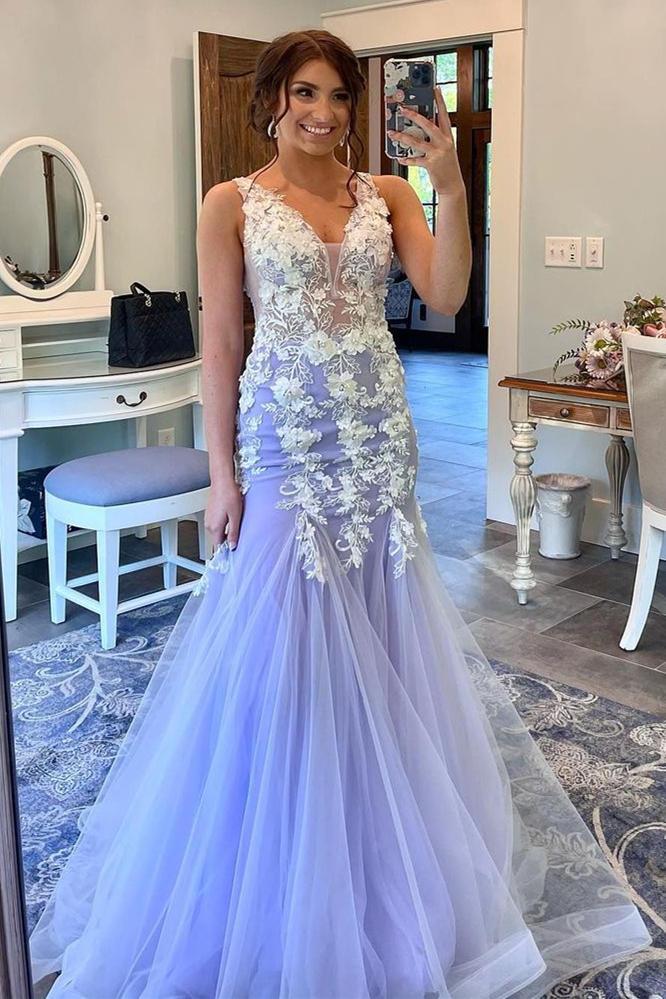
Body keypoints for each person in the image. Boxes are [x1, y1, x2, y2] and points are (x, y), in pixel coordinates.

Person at [29, 28, 651, 999]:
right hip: (284, 441)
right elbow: (224, 340)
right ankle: (277, 843)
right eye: (305, 93)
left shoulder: (387, 194)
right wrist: (223, 475)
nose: (323, 113)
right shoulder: (231, 202)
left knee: (386, 625)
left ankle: (376, 829)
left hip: (376, 440)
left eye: (338, 96)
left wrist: (449, 181)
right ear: (271, 100)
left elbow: (446, 292)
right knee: (279, 640)